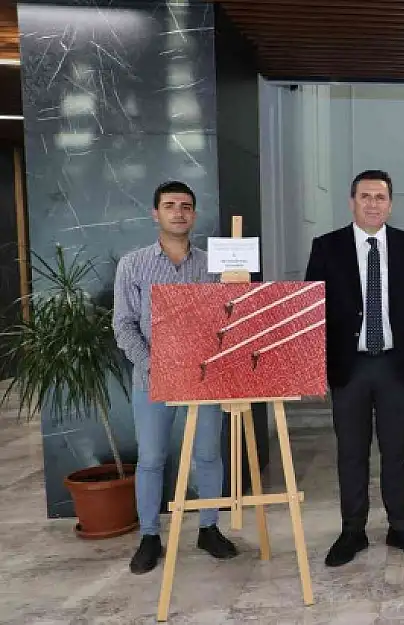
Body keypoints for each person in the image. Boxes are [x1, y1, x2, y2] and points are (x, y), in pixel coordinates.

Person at [305, 169, 404, 565]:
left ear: (391, 203)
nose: (372, 203)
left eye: (380, 196)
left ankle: (401, 525)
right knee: (351, 452)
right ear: (351, 202)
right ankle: (353, 530)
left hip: (393, 365)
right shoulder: (327, 247)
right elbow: (311, 312)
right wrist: (310, 366)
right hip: (347, 366)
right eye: (365, 196)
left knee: (397, 450)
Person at [112, 180, 239, 574]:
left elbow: (229, 318)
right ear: (156, 213)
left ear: (194, 214)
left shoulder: (214, 264)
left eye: (186, 206)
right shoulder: (133, 264)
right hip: (152, 379)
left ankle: (209, 527)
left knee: (208, 455)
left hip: (205, 379)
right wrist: (155, 366)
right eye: (170, 205)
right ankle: (150, 535)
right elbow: (124, 325)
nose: (178, 212)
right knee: (151, 458)